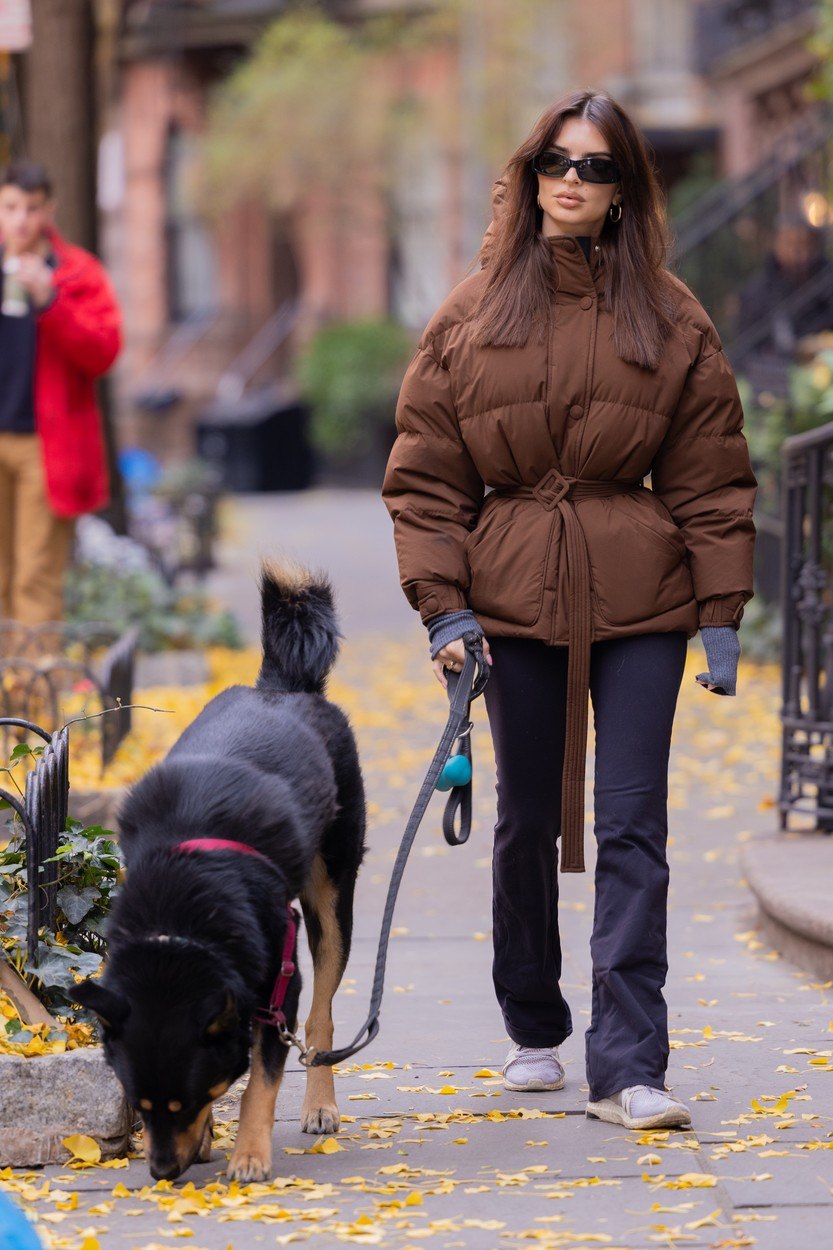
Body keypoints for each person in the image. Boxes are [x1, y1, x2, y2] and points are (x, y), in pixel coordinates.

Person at [382, 90, 756, 1131]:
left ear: (623, 189)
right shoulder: (470, 312)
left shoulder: (672, 315)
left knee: (633, 822)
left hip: (640, 594)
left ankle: (630, 1060)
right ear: (529, 170)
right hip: (509, 595)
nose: (571, 181)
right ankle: (533, 1019)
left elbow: (711, 476)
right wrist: (444, 610)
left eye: (595, 167)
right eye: (556, 160)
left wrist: (718, 608)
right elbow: (424, 478)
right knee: (524, 820)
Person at [0, 159, 121, 625]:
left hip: (44, 447)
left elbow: (104, 351)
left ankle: (31, 692)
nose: (20, 220)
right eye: (10, 207)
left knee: (35, 577)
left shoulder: (76, 273)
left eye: (31, 208)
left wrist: (51, 301)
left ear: (48, 210)